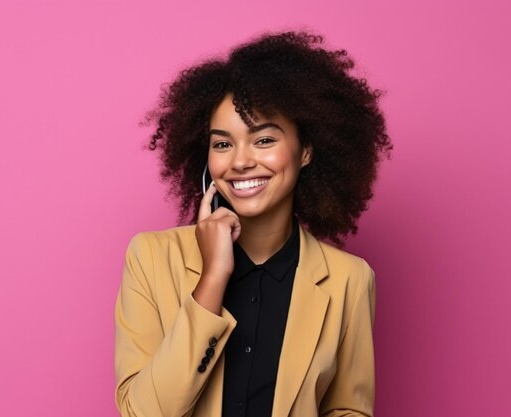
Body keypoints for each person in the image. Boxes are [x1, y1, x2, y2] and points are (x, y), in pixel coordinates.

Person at [114, 31, 391, 417]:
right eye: (223, 144)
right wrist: (212, 279)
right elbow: (141, 413)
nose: (240, 161)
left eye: (263, 140)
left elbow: (348, 409)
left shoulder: (350, 280)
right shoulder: (150, 257)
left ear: (306, 150)